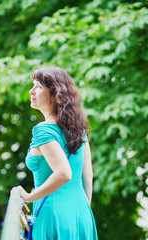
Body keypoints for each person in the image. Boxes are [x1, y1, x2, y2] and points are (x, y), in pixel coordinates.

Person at [16, 66, 98, 239]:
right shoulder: (79, 129)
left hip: (53, 216)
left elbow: (64, 173)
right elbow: (87, 175)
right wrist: (83, 211)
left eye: (38, 86)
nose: (31, 91)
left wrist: (29, 197)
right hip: (81, 214)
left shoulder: (43, 131)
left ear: (55, 94)